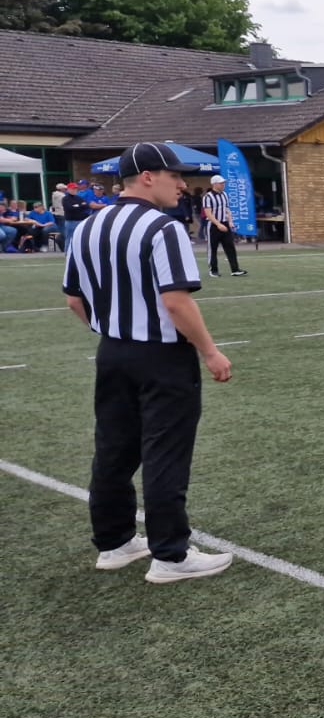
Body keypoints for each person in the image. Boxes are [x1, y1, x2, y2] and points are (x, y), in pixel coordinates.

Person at [63, 141, 234, 584]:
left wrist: (114, 331)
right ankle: (171, 555)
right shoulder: (164, 228)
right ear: (147, 177)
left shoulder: (87, 226)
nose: (182, 185)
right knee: (166, 451)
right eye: (174, 176)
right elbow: (176, 301)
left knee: (114, 449)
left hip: (113, 352)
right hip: (161, 356)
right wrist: (210, 351)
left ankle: (114, 542)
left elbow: (74, 299)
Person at [201, 175, 247, 277]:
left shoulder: (225, 194)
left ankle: (235, 269)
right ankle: (213, 270)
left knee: (230, 246)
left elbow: (227, 209)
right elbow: (208, 213)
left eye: (223, 183)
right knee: (212, 248)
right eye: (221, 183)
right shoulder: (208, 197)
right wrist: (218, 224)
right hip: (213, 224)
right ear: (214, 184)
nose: (223, 185)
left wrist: (230, 221)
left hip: (224, 223)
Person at [61, 182, 92, 250]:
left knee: (80, 238)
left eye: (75, 189)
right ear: (68, 189)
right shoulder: (65, 199)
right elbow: (69, 208)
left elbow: (86, 206)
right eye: (73, 189)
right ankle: (68, 252)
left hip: (80, 221)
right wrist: (80, 206)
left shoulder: (79, 198)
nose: (74, 190)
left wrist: (77, 206)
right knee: (69, 238)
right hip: (71, 221)